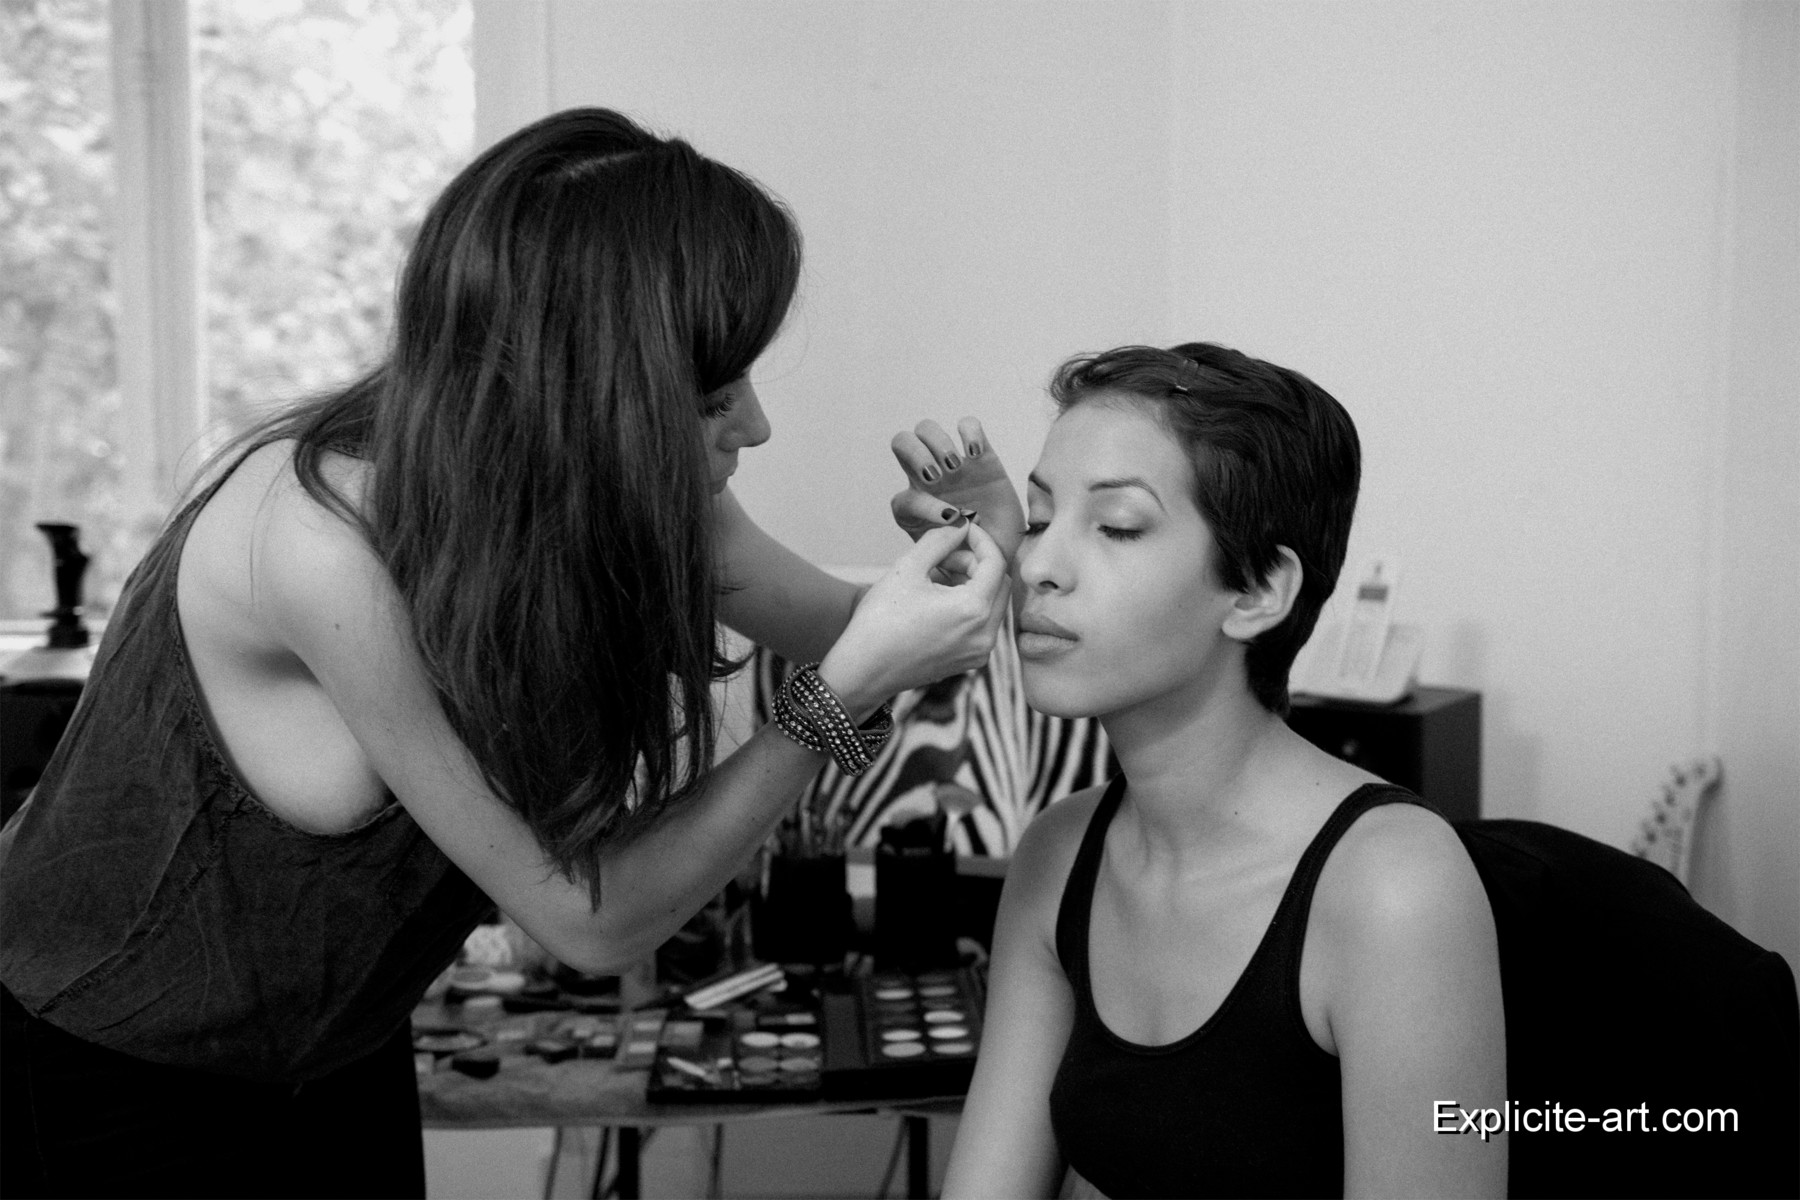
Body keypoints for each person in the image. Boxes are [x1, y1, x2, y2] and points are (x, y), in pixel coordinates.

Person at [0, 107, 1015, 1198]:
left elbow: (884, 634)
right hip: (108, 1069)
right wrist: (836, 702)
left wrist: (985, 537)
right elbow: (593, 922)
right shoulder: (324, 549)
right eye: (714, 394)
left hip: (333, 1052)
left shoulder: (629, 479)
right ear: (591, 387)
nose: (757, 426)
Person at [932, 342, 1508, 1198]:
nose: (1036, 565)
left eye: (1117, 526)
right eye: (1042, 518)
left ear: (1257, 590)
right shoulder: (1057, 856)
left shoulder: (1396, 888)